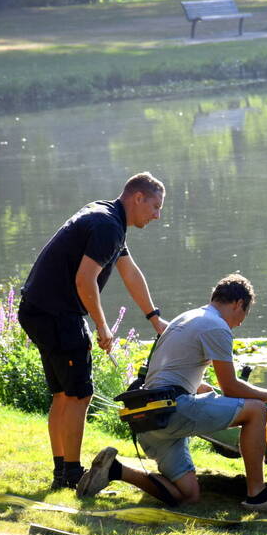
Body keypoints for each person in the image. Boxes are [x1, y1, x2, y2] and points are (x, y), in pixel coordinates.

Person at [76, 274, 267, 514]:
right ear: (238, 303)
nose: (240, 323)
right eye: (244, 314)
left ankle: (115, 470)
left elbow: (169, 370)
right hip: (172, 411)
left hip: (148, 419)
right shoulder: (217, 326)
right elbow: (230, 387)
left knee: (189, 496)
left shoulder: (187, 317)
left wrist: (197, 386)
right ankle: (258, 495)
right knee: (256, 410)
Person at [18, 172, 170, 490]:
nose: (157, 215)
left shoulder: (108, 217)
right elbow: (85, 280)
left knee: (64, 394)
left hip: (39, 310)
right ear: (138, 198)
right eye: (155, 206)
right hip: (56, 313)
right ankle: (72, 474)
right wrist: (102, 326)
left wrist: (154, 318)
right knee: (79, 394)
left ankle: (62, 473)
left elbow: (130, 272)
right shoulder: (107, 226)